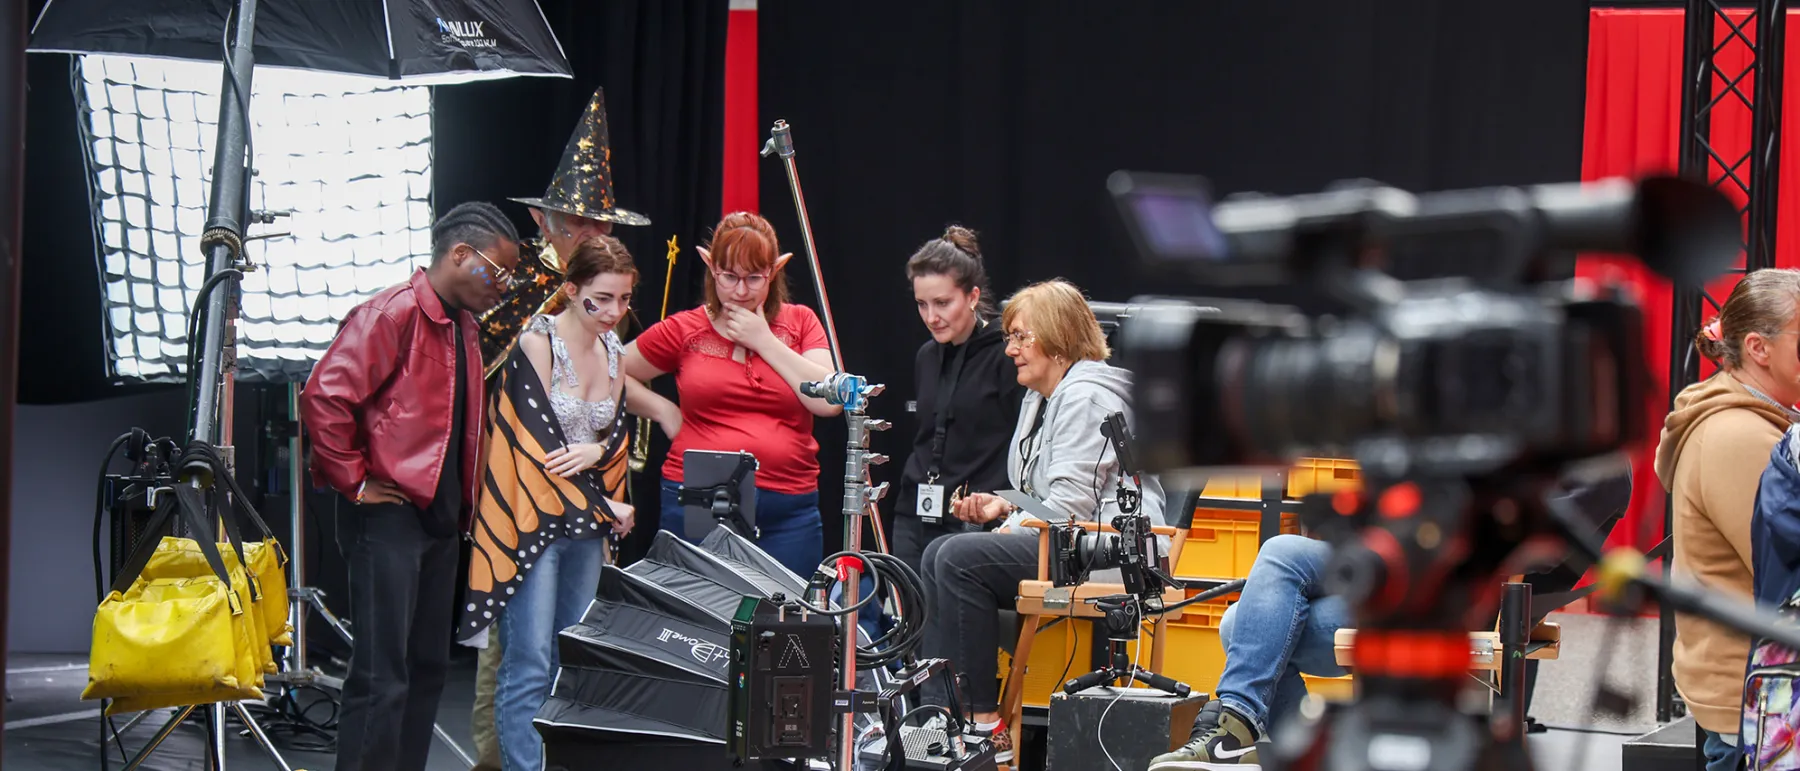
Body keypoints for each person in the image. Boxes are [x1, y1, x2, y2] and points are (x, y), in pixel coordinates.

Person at [1149, 469, 1634, 771]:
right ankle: (1242, 724)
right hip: (1413, 568)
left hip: (1461, 597)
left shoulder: (1603, 469)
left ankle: (1242, 729)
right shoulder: (1529, 446)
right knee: (1275, 565)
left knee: (1243, 625)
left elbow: (1527, 550)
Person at [465, 86, 654, 771]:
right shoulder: (522, 299)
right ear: (550, 223)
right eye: (577, 223)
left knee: (564, 648)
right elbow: (505, 393)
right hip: (517, 496)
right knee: (520, 651)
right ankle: (499, 760)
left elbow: (608, 418)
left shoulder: (604, 326)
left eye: (597, 225)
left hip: (582, 511)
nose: (587, 233)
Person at [301, 201, 522, 771]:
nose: (505, 286)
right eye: (498, 272)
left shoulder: (466, 327)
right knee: (382, 674)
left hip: (440, 520)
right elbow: (325, 396)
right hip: (389, 518)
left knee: (426, 669)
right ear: (458, 255)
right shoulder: (393, 313)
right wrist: (353, 483)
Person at [919, 279, 1167, 763]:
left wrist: (1008, 524)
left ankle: (980, 726)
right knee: (937, 553)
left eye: (1021, 336)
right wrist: (1004, 507)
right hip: (1069, 539)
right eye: (1010, 336)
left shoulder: (1086, 397)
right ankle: (942, 717)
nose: (1009, 348)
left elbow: (1069, 509)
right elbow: (1045, 497)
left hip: (1111, 551)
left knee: (957, 559)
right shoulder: (1041, 397)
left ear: (1057, 337)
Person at [624, 211, 840, 578]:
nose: (741, 291)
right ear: (710, 267)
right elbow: (608, 369)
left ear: (775, 270)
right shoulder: (687, 328)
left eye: (754, 278)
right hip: (702, 489)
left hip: (789, 500)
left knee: (787, 622)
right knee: (702, 618)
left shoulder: (801, 322)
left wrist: (764, 341)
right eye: (729, 277)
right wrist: (662, 409)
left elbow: (828, 401)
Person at [1656, 268, 1800, 771]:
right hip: (1758, 705)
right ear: (1759, 348)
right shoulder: (1739, 436)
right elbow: (1787, 577)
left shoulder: (1757, 420)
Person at [892, 226, 1025, 575]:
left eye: (942, 303)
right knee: (909, 619)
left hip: (975, 520)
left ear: (972, 296)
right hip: (914, 514)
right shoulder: (926, 355)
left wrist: (1005, 503)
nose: (931, 317)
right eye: (922, 304)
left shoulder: (1007, 355)